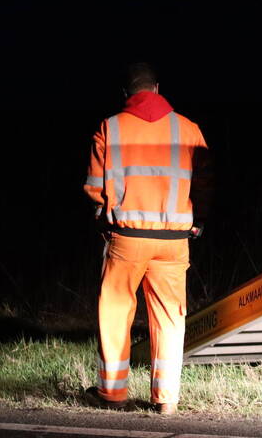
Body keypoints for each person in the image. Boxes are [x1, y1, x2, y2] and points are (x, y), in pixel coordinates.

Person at [83, 62, 213, 414]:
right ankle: (166, 400)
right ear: (157, 89)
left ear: (126, 94)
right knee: (171, 317)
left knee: (115, 311)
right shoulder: (189, 129)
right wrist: (197, 220)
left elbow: (94, 187)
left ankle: (112, 393)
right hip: (174, 240)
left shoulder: (110, 128)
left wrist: (103, 216)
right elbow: (203, 185)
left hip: (126, 238)